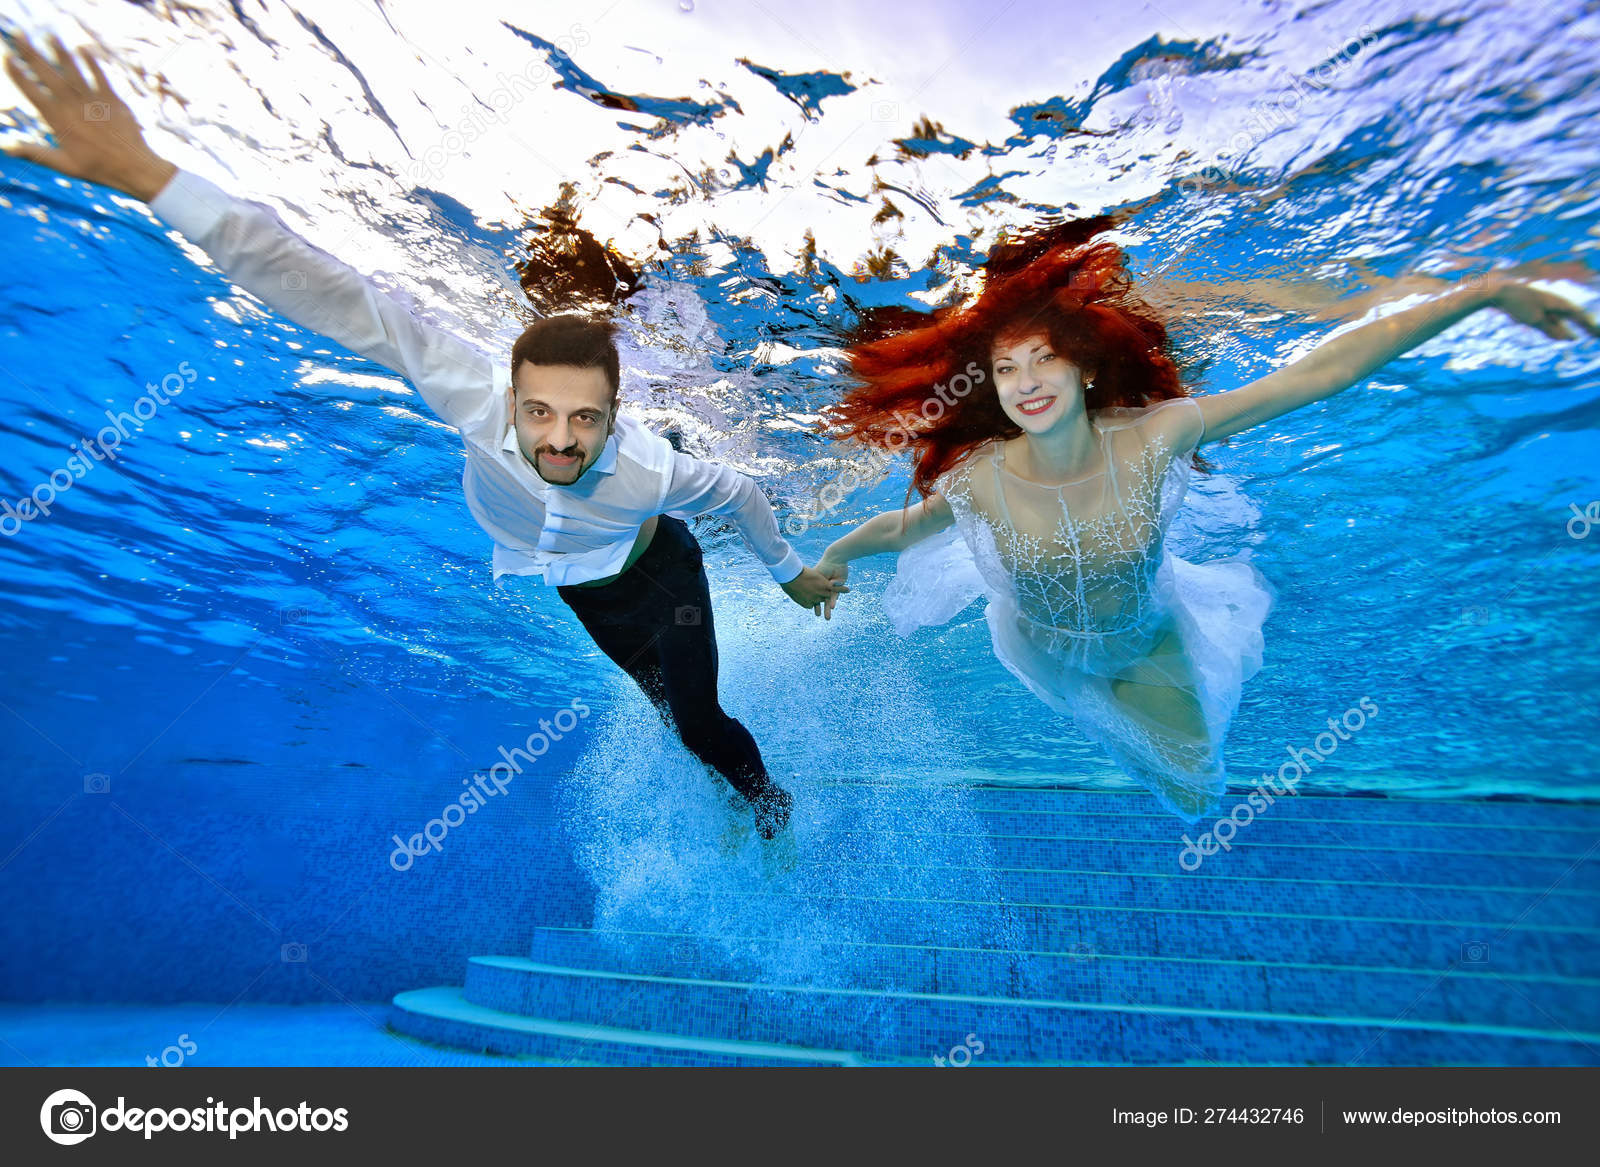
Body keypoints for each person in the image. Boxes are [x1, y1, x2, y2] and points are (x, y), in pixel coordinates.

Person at [1, 31, 846, 840]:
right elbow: (340, 298)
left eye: (587, 419)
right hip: (587, 596)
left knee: (699, 723)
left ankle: (773, 809)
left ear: (617, 415)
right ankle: (744, 795)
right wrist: (151, 177)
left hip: (663, 573)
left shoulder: (653, 468)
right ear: (509, 397)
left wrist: (789, 575)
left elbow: (735, 490)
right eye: (539, 412)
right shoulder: (470, 395)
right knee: (674, 723)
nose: (560, 442)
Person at [806, 225, 1596, 821]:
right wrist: (835, 556)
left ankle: (1130, 724)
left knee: (1194, 794)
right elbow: (902, 529)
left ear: (1083, 367)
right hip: (1039, 642)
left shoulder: (1156, 435)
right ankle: (1101, 711)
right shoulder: (982, 475)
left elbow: (1318, 375)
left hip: (1148, 637)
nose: (1025, 383)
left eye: (1043, 359)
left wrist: (1485, 291)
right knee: (1179, 781)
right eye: (1006, 369)